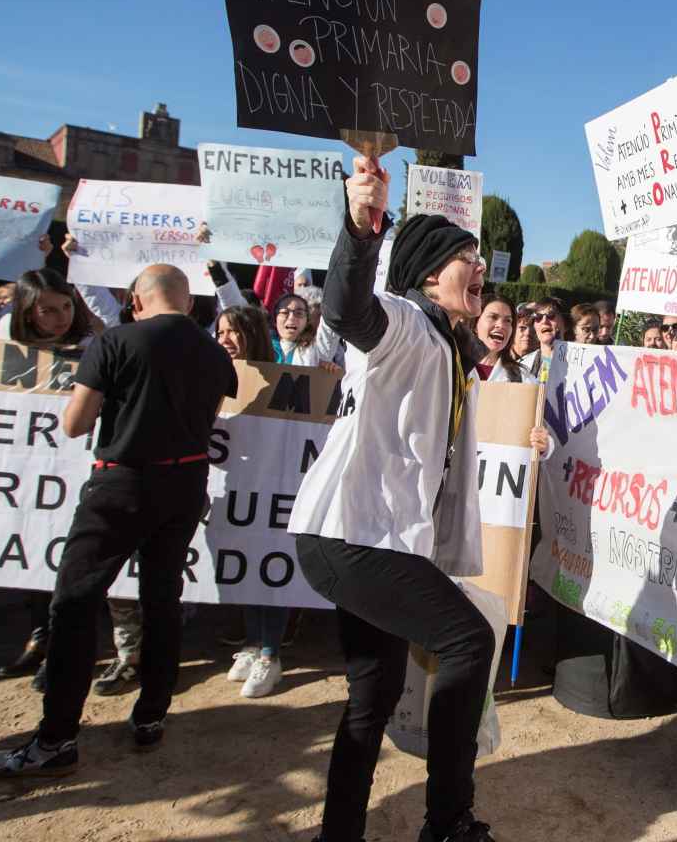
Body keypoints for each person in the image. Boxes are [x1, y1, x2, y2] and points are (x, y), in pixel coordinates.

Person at [289, 158, 546, 842]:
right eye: (467, 258)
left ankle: (339, 831)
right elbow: (347, 309)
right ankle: (448, 823)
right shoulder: (406, 323)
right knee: (466, 638)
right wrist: (358, 228)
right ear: (431, 275)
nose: (481, 269)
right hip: (351, 535)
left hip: (366, 539)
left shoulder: (447, 348)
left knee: (370, 698)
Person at [0, 264, 239, 777]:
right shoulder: (215, 354)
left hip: (122, 484)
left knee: (75, 603)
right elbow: (207, 418)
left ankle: (56, 737)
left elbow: (76, 422)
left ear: (136, 301)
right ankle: (151, 716)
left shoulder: (116, 341)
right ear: (187, 304)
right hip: (186, 484)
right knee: (162, 598)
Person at [0, 269, 102, 686]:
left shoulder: (94, 346)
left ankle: (70, 644)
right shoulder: (8, 343)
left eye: (66, 307)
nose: (58, 318)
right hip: (27, 467)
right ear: (26, 312)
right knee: (31, 547)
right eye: (47, 310)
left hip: (78, 464)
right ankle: (41, 634)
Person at [210, 304, 293, 698]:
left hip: (274, 489)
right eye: (220, 332)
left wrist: (327, 377)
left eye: (234, 332)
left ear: (252, 335)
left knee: (269, 568)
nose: (226, 340)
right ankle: (251, 644)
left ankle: (270, 655)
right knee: (245, 569)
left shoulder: (280, 376)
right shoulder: (211, 372)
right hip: (235, 489)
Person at [272, 292, 344, 369]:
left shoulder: (315, 351)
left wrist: (329, 369)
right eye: (284, 312)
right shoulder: (263, 348)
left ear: (307, 321)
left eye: (299, 313)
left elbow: (330, 324)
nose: (291, 318)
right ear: (275, 320)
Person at [474, 295, 532, 383]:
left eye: (508, 321)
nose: (501, 325)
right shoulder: (453, 366)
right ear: (475, 324)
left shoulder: (523, 377)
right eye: (493, 317)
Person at [521, 297, 565, 379]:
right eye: (538, 317)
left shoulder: (580, 363)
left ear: (564, 323)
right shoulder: (522, 367)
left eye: (551, 315)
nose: (544, 321)